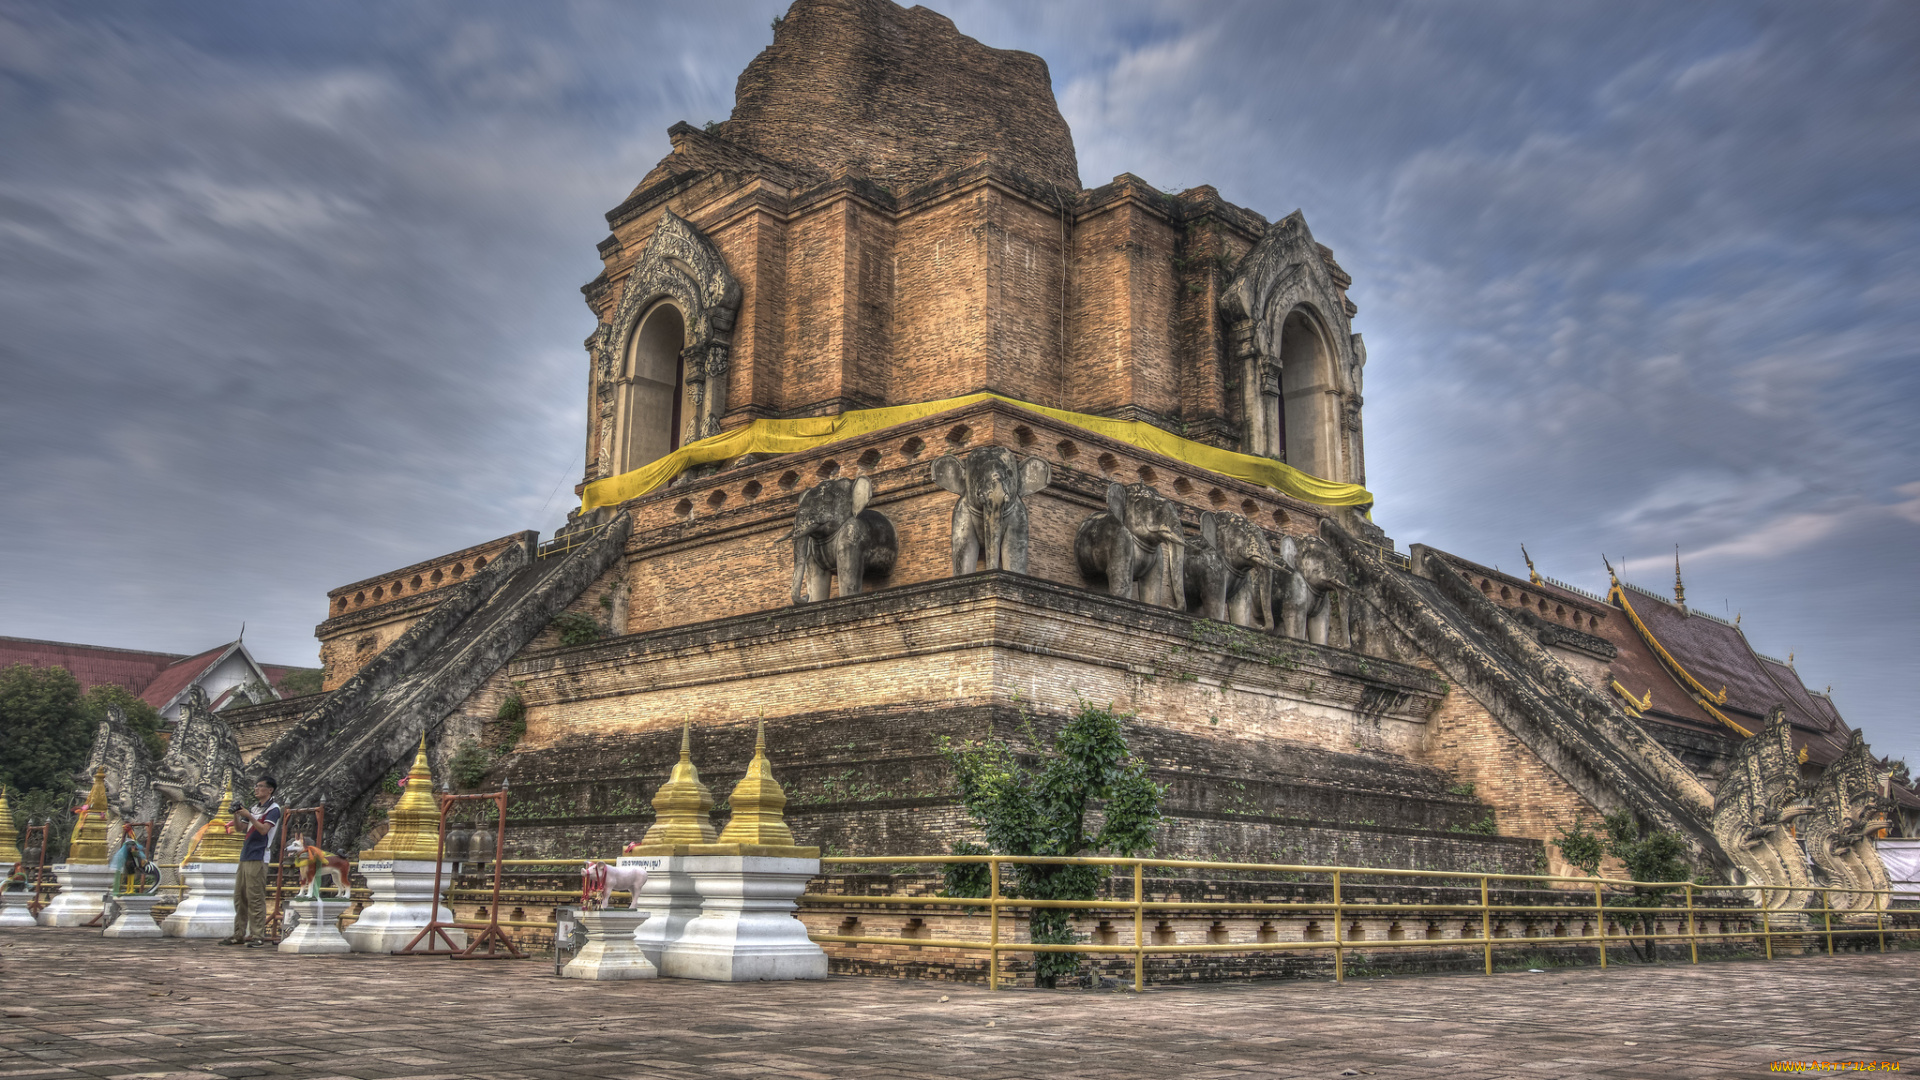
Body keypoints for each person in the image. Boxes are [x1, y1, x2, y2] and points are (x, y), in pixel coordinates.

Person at [222, 776, 282, 947]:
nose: (256, 789)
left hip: (259, 855)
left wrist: (249, 815)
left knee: (255, 897)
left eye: (260, 786)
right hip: (246, 854)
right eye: (256, 786)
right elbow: (241, 828)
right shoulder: (256, 808)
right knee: (239, 897)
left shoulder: (274, 809)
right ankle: (238, 934)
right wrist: (236, 815)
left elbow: (263, 830)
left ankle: (257, 935)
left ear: (270, 790)